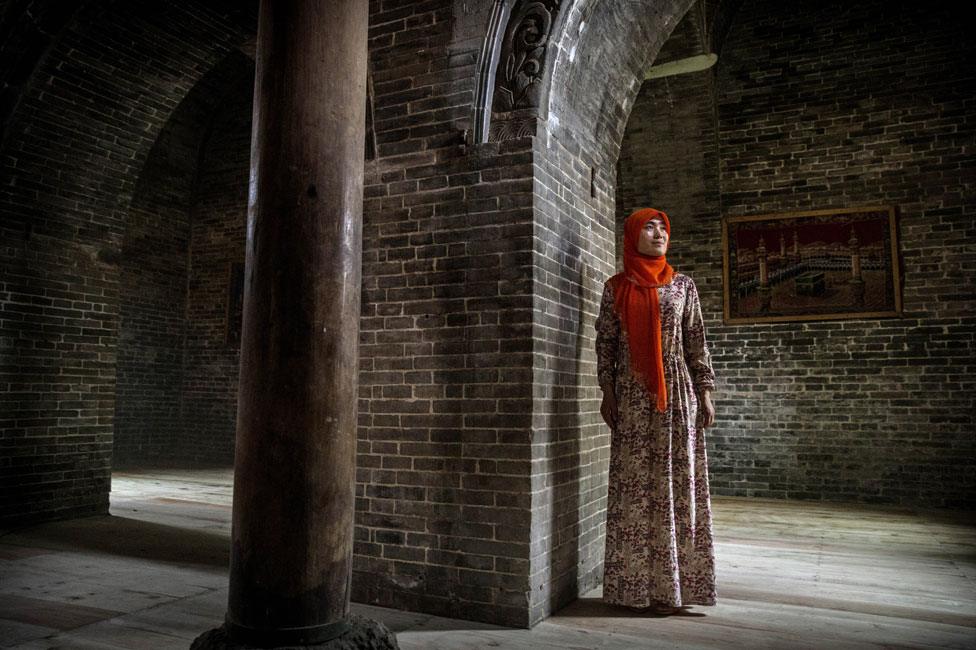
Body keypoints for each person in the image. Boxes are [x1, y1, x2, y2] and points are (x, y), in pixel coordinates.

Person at [596, 207, 716, 615]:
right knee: (636, 489)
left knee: (675, 485)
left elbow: (695, 341)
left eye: (663, 226)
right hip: (631, 395)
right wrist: (607, 391)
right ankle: (634, 588)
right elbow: (607, 345)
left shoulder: (683, 286)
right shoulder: (615, 287)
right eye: (649, 226)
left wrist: (706, 391)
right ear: (632, 235)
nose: (659, 232)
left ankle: (675, 588)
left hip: (677, 394)